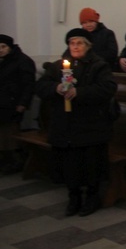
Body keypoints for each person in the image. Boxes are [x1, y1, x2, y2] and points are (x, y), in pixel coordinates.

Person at [35, 28, 117, 217]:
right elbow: (40, 86)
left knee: (90, 163)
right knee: (69, 164)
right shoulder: (58, 67)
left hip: (90, 125)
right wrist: (56, 87)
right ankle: (74, 197)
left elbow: (107, 88)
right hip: (65, 126)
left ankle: (92, 196)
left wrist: (79, 93)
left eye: (80, 43)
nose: (75, 46)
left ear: (88, 46)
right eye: (72, 43)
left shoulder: (98, 65)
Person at [0, 35, 36, 174]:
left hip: (13, 102)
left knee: (10, 132)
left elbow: (28, 84)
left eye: (3, 47)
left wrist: (23, 103)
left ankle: (14, 161)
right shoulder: (4, 61)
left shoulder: (22, 61)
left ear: (10, 47)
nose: (0, 50)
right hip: (3, 102)